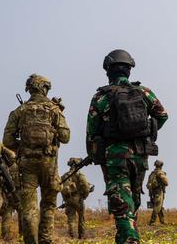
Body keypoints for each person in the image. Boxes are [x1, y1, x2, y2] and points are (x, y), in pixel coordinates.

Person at [86, 49, 169, 244]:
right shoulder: (144, 92)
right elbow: (162, 116)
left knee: (121, 203)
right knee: (133, 199)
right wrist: (149, 131)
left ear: (108, 70)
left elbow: (92, 131)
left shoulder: (100, 97)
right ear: (129, 70)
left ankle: (130, 239)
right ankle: (124, 237)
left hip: (115, 158)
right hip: (140, 156)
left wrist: (96, 155)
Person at [4, 74, 70, 244]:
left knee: (29, 209)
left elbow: (7, 141)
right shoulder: (54, 110)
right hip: (49, 164)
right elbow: (65, 137)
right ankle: (45, 241)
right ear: (44, 88)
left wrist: (24, 148)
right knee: (48, 205)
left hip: (26, 164)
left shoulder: (20, 111)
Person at [60, 158, 94, 239]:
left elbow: (61, 189)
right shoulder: (79, 174)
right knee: (81, 218)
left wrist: (66, 200)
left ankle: (73, 237)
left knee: (71, 219)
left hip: (68, 200)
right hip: (78, 199)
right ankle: (81, 238)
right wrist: (84, 196)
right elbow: (85, 186)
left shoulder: (64, 176)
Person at [0, 160, 21, 242]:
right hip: (19, 193)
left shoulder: (3, 164)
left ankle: (6, 237)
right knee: (23, 215)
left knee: (6, 215)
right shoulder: (20, 164)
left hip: (7, 193)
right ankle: (23, 235)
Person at [146, 160, 169, 225]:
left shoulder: (152, 173)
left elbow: (149, 184)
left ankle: (163, 220)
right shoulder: (160, 173)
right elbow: (166, 182)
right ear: (161, 166)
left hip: (152, 191)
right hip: (158, 190)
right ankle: (152, 221)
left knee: (159, 206)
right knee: (157, 206)